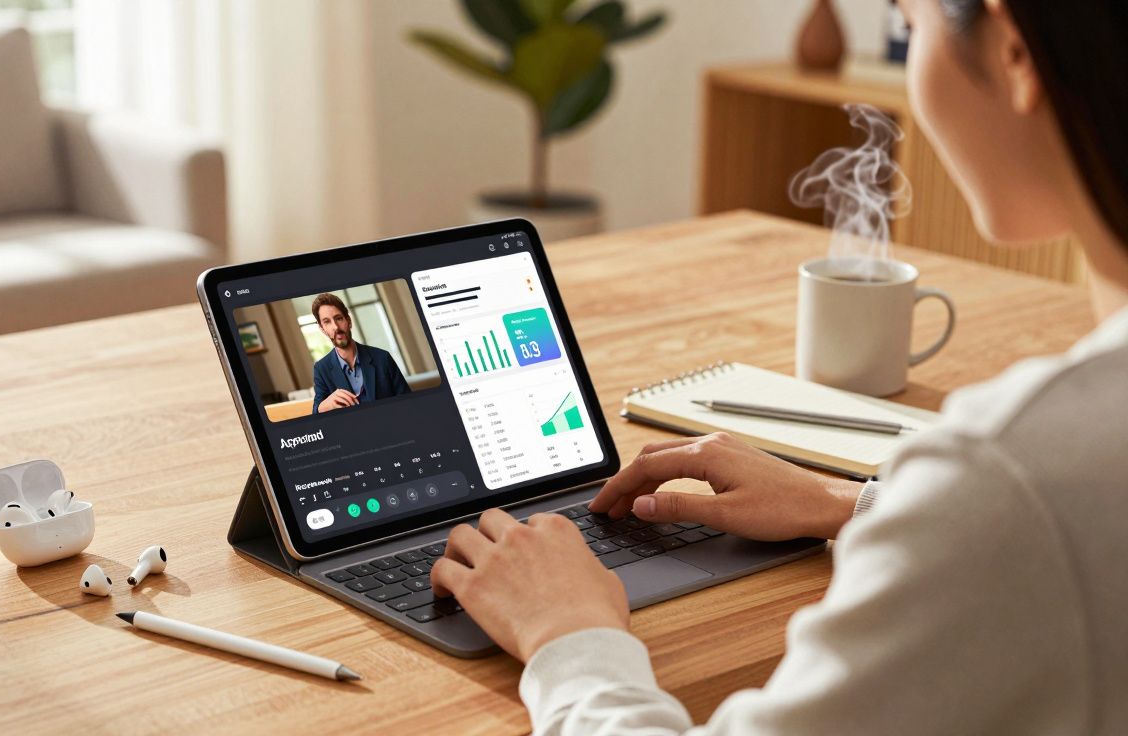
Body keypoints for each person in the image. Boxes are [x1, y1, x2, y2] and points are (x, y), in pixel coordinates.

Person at [429, 0, 1128, 732]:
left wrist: (567, 634)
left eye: (910, 21)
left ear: (1013, 50)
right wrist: (855, 503)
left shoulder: (1012, 475)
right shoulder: (1035, 479)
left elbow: (1033, 515)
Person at [309, 293, 410, 414]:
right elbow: (316, 412)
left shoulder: (383, 358)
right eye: (327, 322)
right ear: (323, 330)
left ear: (349, 321)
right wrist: (326, 405)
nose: (335, 327)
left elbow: (408, 402)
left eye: (339, 318)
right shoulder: (321, 369)